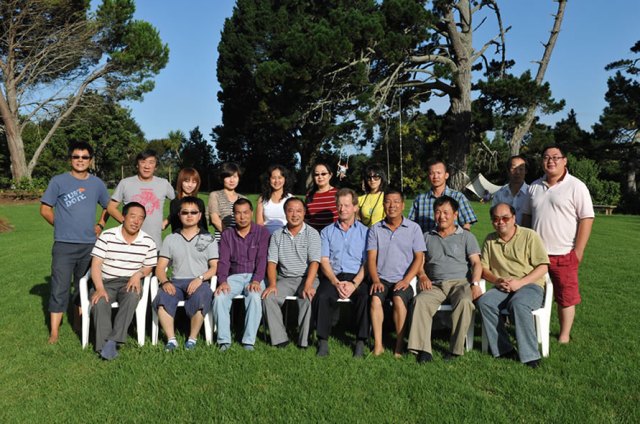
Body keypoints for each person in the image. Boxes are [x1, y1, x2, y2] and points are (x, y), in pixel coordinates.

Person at [522, 145, 594, 343]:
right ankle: (532, 330)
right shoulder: (534, 187)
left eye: (555, 157)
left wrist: (578, 251)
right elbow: (526, 217)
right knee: (531, 292)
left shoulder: (576, 186)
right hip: (536, 256)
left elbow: (586, 218)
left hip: (564, 253)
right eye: (546, 157)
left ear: (564, 161)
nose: (550, 161)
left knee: (566, 296)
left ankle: (564, 335)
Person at [40, 141, 110, 343]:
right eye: (76, 157)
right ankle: (54, 332)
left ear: (90, 160)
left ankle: (79, 323)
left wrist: (100, 225)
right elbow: (45, 209)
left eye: (85, 157)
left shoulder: (97, 184)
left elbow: (109, 206)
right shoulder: (58, 181)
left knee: (83, 286)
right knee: (59, 287)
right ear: (70, 159)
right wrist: (60, 224)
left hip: (89, 245)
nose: (80, 160)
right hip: (64, 245)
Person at [408, 195, 482, 364]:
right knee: (420, 301)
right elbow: (419, 262)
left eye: (446, 212)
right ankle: (423, 349)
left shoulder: (466, 237)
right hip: (435, 284)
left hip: (460, 283)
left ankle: (455, 349)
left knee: (465, 302)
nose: (441, 216)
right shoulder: (426, 236)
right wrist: (422, 275)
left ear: (455, 215)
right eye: (438, 212)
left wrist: (475, 284)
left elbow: (476, 263)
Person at [476, 203, 549, 368]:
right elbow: (483, 268)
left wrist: (520, 283)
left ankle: (530, 356)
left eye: (505, 218)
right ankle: (504, 349)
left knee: (518, 304)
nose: (500, 222)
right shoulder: (490, 240)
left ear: (514, 218)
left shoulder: (529, 236)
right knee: (484, 302)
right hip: (502, 286)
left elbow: (543, 266)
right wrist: (497, 281)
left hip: (529, 284)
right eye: (496, 219)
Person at [90, 202, 157, 360]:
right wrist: (99, 288)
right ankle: (104, 347)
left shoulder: (148, 241)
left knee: (132, 295)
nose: (136, 221)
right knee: (100, 301)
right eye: (132, 216)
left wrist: (138, 274)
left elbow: (149, 267)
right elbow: (96, 265)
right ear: (124, 217)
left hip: (129, 282)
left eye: (141, 218)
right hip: (106, 281)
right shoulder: (107, 236)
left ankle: (113, 341)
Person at [154, 197, 218, 351]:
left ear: (200, 215)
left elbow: (214, 267)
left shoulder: (208, 239)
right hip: (175, 282)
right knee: (162, 298)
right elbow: (160, 268)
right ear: (179, 215)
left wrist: (200, 279)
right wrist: (165, 282)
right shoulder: (170, 239)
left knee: (202, 297)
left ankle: (192, 339)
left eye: (193, 212)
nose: (189, 215)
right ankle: (171, 340)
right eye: (185, 212)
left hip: (199, 281)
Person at [368, 189, 426, 357]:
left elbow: (419, 258)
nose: (391, 205)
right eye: (387, 201)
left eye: (396, 202)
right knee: (375, 300)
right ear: (383, 205)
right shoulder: (375, 229)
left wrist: (406, 280)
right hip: (381, 278)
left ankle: (399, 346)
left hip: (403, 279)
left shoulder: (414, 228)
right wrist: (375, 280)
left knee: (399, 299)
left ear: (403, 205)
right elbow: (371, 258)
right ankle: (378, 345)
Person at [314, 188, 370, 357]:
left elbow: (368, 262)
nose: (342, 209)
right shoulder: (327, 232)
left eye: (346, 205)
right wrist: (335, 282)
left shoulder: (366, 232)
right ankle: (322, 340)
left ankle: (360, 341)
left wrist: (354, 284)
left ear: (355, 207)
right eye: (339, 205)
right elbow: (324, 260)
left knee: (365, 297)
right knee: (322, 296)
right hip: (334, 275)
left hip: (357, 276)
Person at [262, 197, 321, 348]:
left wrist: (308, 285)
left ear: (304, 213)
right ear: (285, 213)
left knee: (307, 296)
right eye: (290, 211)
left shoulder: (312, 234)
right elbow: (272, 262)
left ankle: (304, 341)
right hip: (285, 278)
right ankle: (280, 339)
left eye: (299, 211)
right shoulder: (277, 235)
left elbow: (314, 262)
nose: (295, 214)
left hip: (307, 277)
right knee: (269, 297)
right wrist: (272, 284)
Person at [213, 199, 270, 351]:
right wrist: (222, 281)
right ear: (234, 215)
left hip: (255, 275)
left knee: (254, 296)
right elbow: (223, 261)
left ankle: (248, 341)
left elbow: (262, 259)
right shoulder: (227, 234)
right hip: (234, 276)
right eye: (238, 213)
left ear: (251, 212)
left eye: (245, 212)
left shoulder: (262, 232)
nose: (242, 217)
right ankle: (224, 340)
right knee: (219, 297)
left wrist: (256, 280)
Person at [107, 149, 175, 249]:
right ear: (137, 165)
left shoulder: (163, 184)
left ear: (156, 166)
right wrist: (125, 222)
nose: (147, 166)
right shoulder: (125, 183)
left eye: (151, 162)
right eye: (143, 162)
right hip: (129, 243)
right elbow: (111, 208)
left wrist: (167, 221)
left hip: (155, 244)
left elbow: (179, 205)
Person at [408, 159, 477, 233]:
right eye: (432, 173)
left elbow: (466, 224)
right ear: (428, 176)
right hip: (426, 239)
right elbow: (411, 224)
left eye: (439, 173)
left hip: (452, 239)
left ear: (446, 175)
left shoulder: (458, 197)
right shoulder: (420, 200)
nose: (435, 176)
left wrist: (463, 238)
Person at [208, 162, 247, 241]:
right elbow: (215, 219)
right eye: (228, 176)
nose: (232, 180)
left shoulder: (243, 199)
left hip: (241, 242)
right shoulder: (215, 195)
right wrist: (231, 236)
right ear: (222, 178)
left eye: (235, 176)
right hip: (222, 241)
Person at [164, 168, 208, 232]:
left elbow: (203, 226)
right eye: (187, 181)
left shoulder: (199, 202)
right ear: (181, 182)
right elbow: (175, 227)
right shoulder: (175, 203)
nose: (190, 185)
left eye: (194, 182)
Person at [492, 155, 530, 226]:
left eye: (521, 169)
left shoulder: (531, 193)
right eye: (514, 168)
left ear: (526, 171)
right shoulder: (499, 194)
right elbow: (494, 217)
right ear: (508, 171)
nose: (517, 172)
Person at [256, 165, 294, 235]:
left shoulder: (291, 199)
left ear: (285, 179)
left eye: (280, 177)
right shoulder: (262, 199)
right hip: (266, 236)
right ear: (269, 179)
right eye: (273, 178)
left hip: (286, 236)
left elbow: (294, 223)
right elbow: (259, 223)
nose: (276, 181)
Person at [305, 162, 338, 232]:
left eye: (323, 174)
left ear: (330, 175)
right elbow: (306, 219)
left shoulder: (338, 194)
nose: (320, 177)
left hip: (333, 235)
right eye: (316, 174)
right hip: (314, 236)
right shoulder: (309, 195)